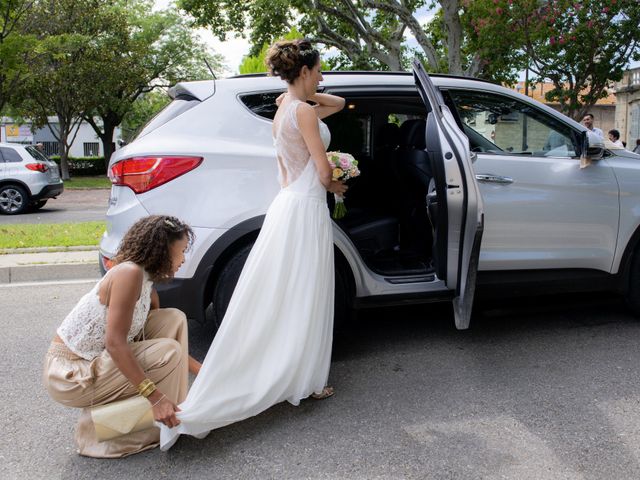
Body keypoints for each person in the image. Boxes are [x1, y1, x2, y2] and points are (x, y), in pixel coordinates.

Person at [158, 39, 347, 451]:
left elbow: (338, 103)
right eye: (317, 71)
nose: (322, 78)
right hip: (308, 204)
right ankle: (305, 380)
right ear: (303, 72)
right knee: (306, 292)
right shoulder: (301, 111)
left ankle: (299, 374)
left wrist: (304, 93)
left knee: (288, 291)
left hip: (288, 204)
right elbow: (320, 169)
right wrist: (341, 184)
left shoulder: (286, 109)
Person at [43, 215, 202, 458]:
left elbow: (155, 343)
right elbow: (115, 344)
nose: (183, 260)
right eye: (180, 252)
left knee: (173, 319)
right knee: (167, 352)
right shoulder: (129, 274)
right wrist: (155, 397)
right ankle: (103, 429)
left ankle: (169, 410)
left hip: (97, 361)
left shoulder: (146, 281)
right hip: (71, 375)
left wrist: (203, 370)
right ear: (162, 251)